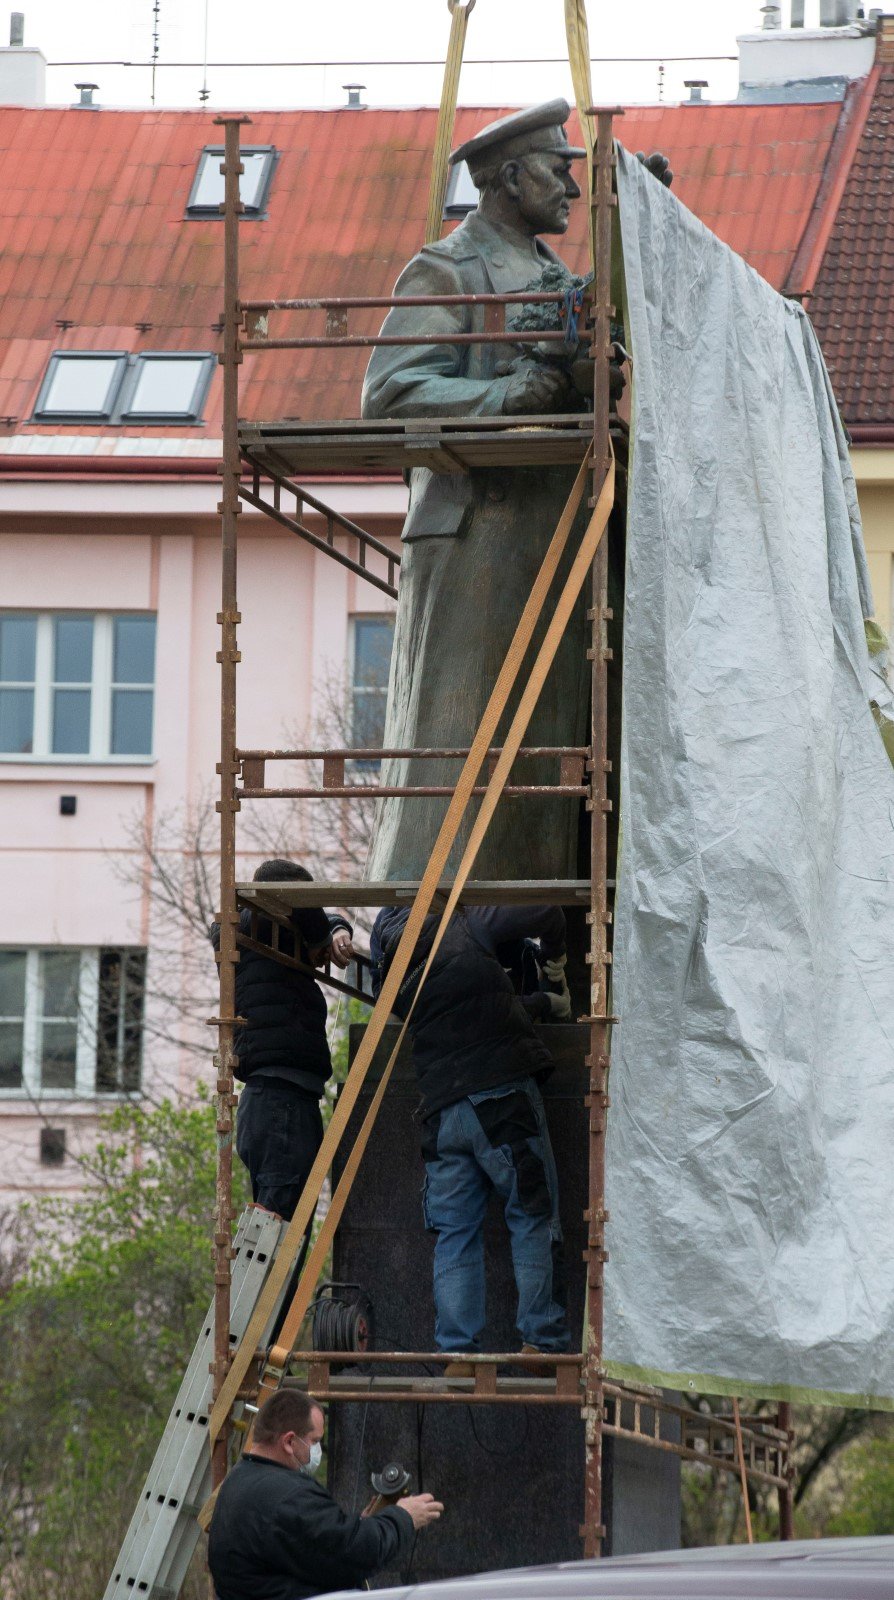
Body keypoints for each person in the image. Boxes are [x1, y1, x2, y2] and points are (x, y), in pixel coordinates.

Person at [361, 98, 671, 885]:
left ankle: (550, 934)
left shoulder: (556, 279)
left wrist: (642, 236)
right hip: (480, 546)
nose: (570, 188)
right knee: (478, 748)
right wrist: (505, 399)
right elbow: (390, 396)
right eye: (556, 170)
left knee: (564, 745)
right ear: (507, 178)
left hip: (556, 534)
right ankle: (449, 925)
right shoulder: (448, 268)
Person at [370, 902, 572, 1366]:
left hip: (442, 1115)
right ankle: (541, 1341)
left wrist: (537, 1004)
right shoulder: (466, 924)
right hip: (502, 1099)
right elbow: (551, 915)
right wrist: (555, 966)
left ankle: (457, 1352)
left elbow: (473, 1008)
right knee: (532, 1215)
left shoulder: (394, 981)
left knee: (455, 1233)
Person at [210, 858, 353, 1221]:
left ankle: (264, 1281)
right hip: (280, 1098)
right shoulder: (259, 926)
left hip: (278, 1098)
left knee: (280, 1220)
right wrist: (328, 934)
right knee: (272, 1222)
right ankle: (250, 1282)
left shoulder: (261, 932)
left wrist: (334, 927)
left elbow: (313, 919)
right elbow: (308, 915)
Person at [208, 1388, 443, 1600]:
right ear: (289, 1441)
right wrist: (403, 1517)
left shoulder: (238, 1480)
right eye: (314, 1441)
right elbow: (355, 1553)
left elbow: (315, 1547)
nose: (317, 1450)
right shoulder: (290, 1495)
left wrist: (362, 1524)